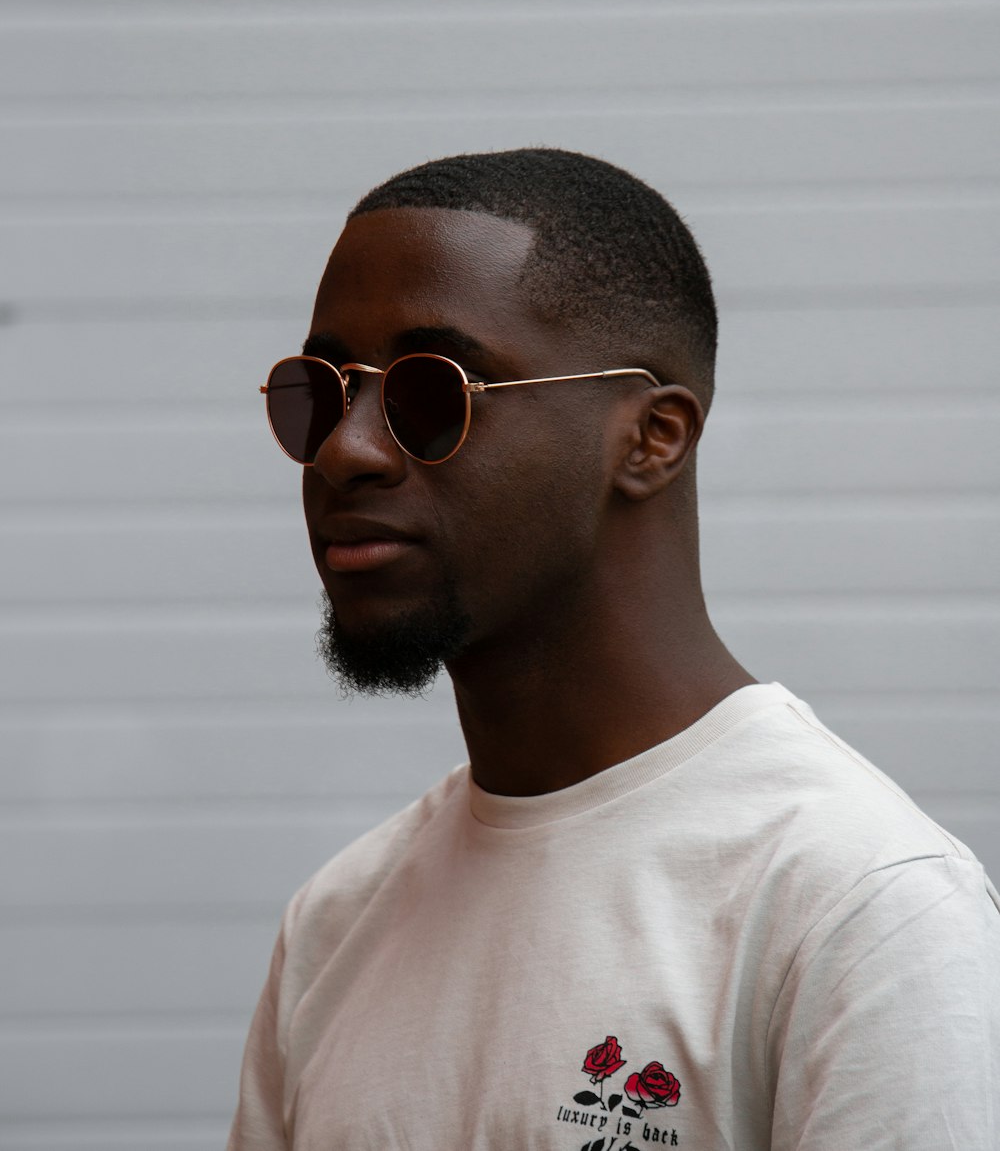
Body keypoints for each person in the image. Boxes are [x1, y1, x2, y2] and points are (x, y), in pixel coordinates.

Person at [229, 148, 999, 1151]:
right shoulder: (334, 925)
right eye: (320, 392)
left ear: (652, 438)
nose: (346, 449)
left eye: (432, 391)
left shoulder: (855, 909)